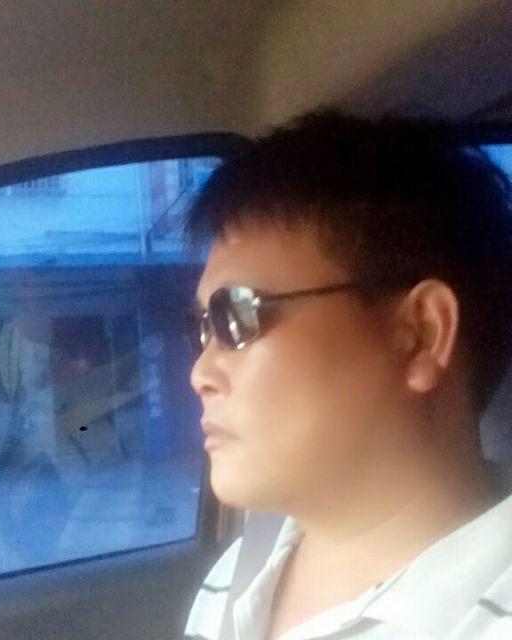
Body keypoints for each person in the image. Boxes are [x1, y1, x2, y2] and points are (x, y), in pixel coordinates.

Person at [183, 110, 512, 639]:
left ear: (420, 334)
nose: (200, 373)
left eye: (235, 316)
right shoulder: (237, 575)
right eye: (201, 328)